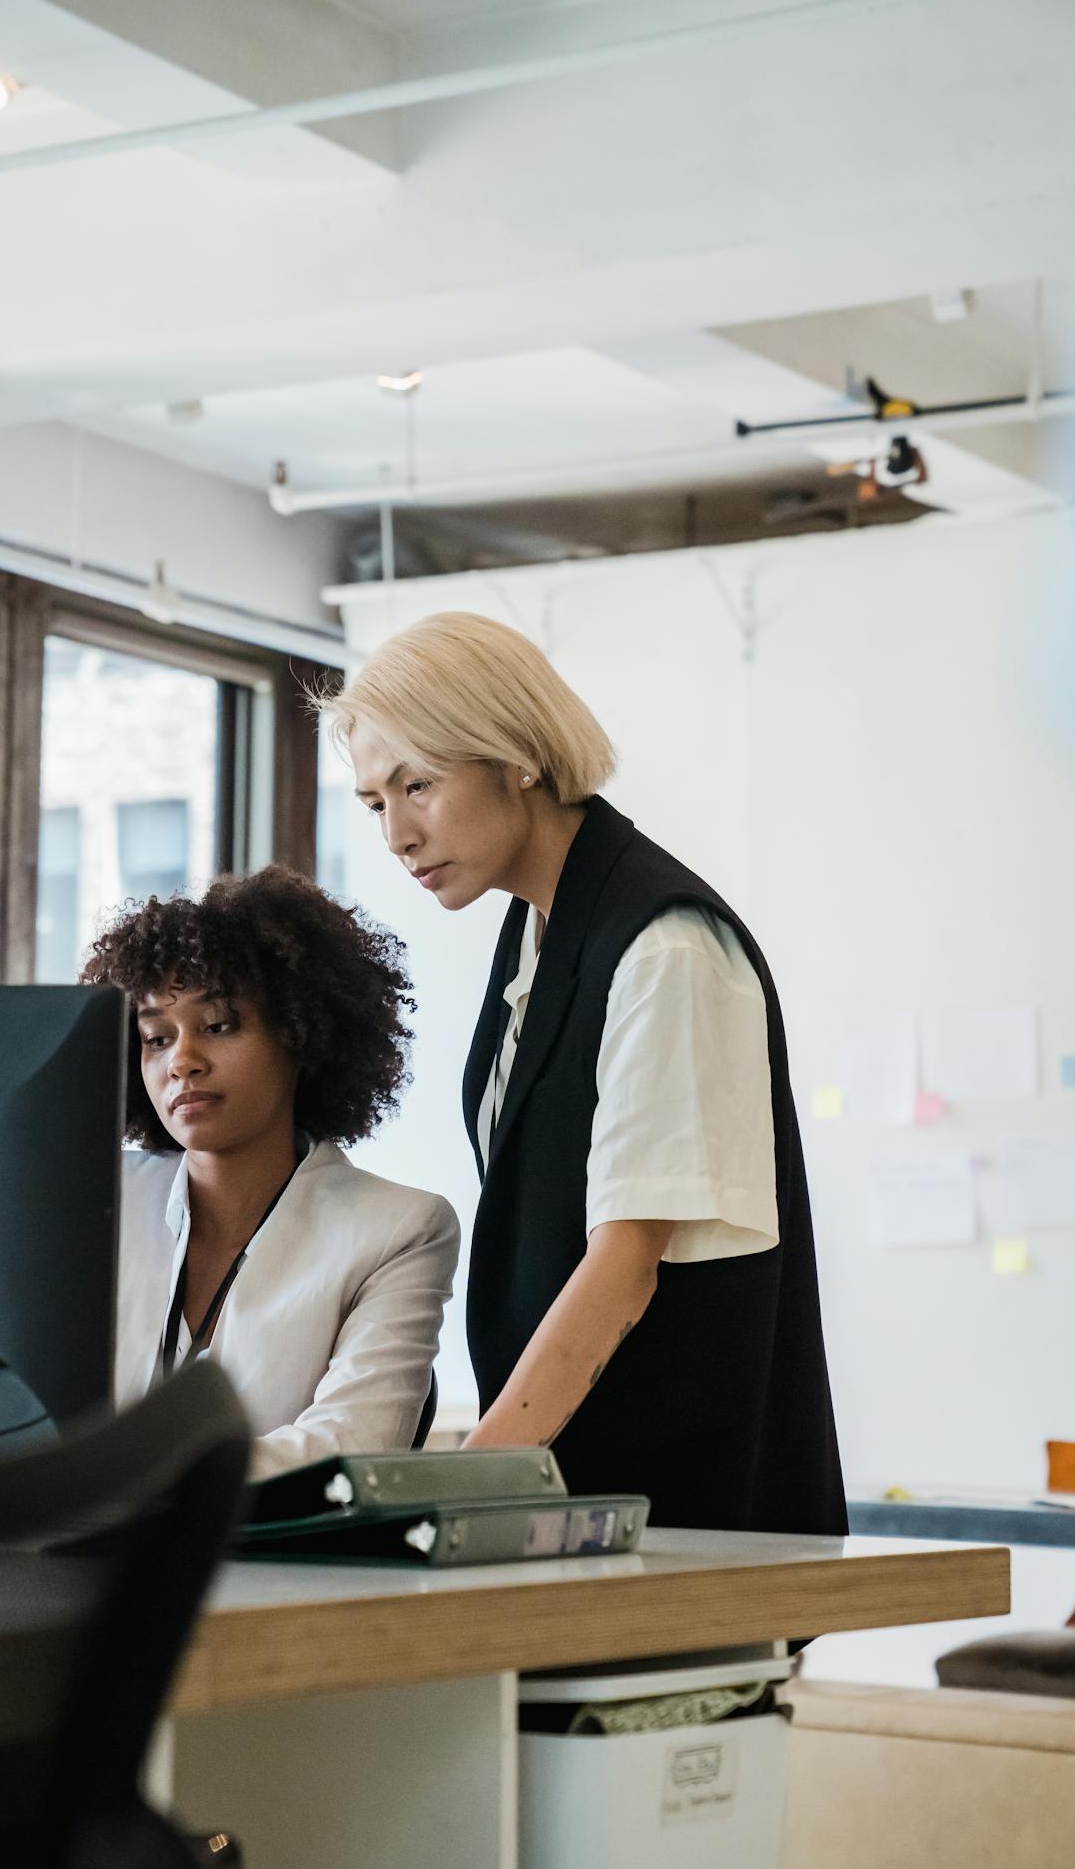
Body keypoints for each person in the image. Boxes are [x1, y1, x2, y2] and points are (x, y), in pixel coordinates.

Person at [324, 612, 846, 1535]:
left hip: (678, 1504)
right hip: (582, 1480)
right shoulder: (532, 932)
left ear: (514, 756)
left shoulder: (664, 947)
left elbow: (623, 1264)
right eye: (374, 803)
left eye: (419, 785)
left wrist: (475, 1475)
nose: (397, 835)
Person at [83, 866, 457, 1479]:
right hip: (75, 1559)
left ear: (299, 1034)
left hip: (277, 1567)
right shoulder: (98, 1199)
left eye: (219, 1026)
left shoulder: (400, 1229)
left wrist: (134, 1476)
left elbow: (352, 1445)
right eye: (156, 1037)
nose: (182, 1062)